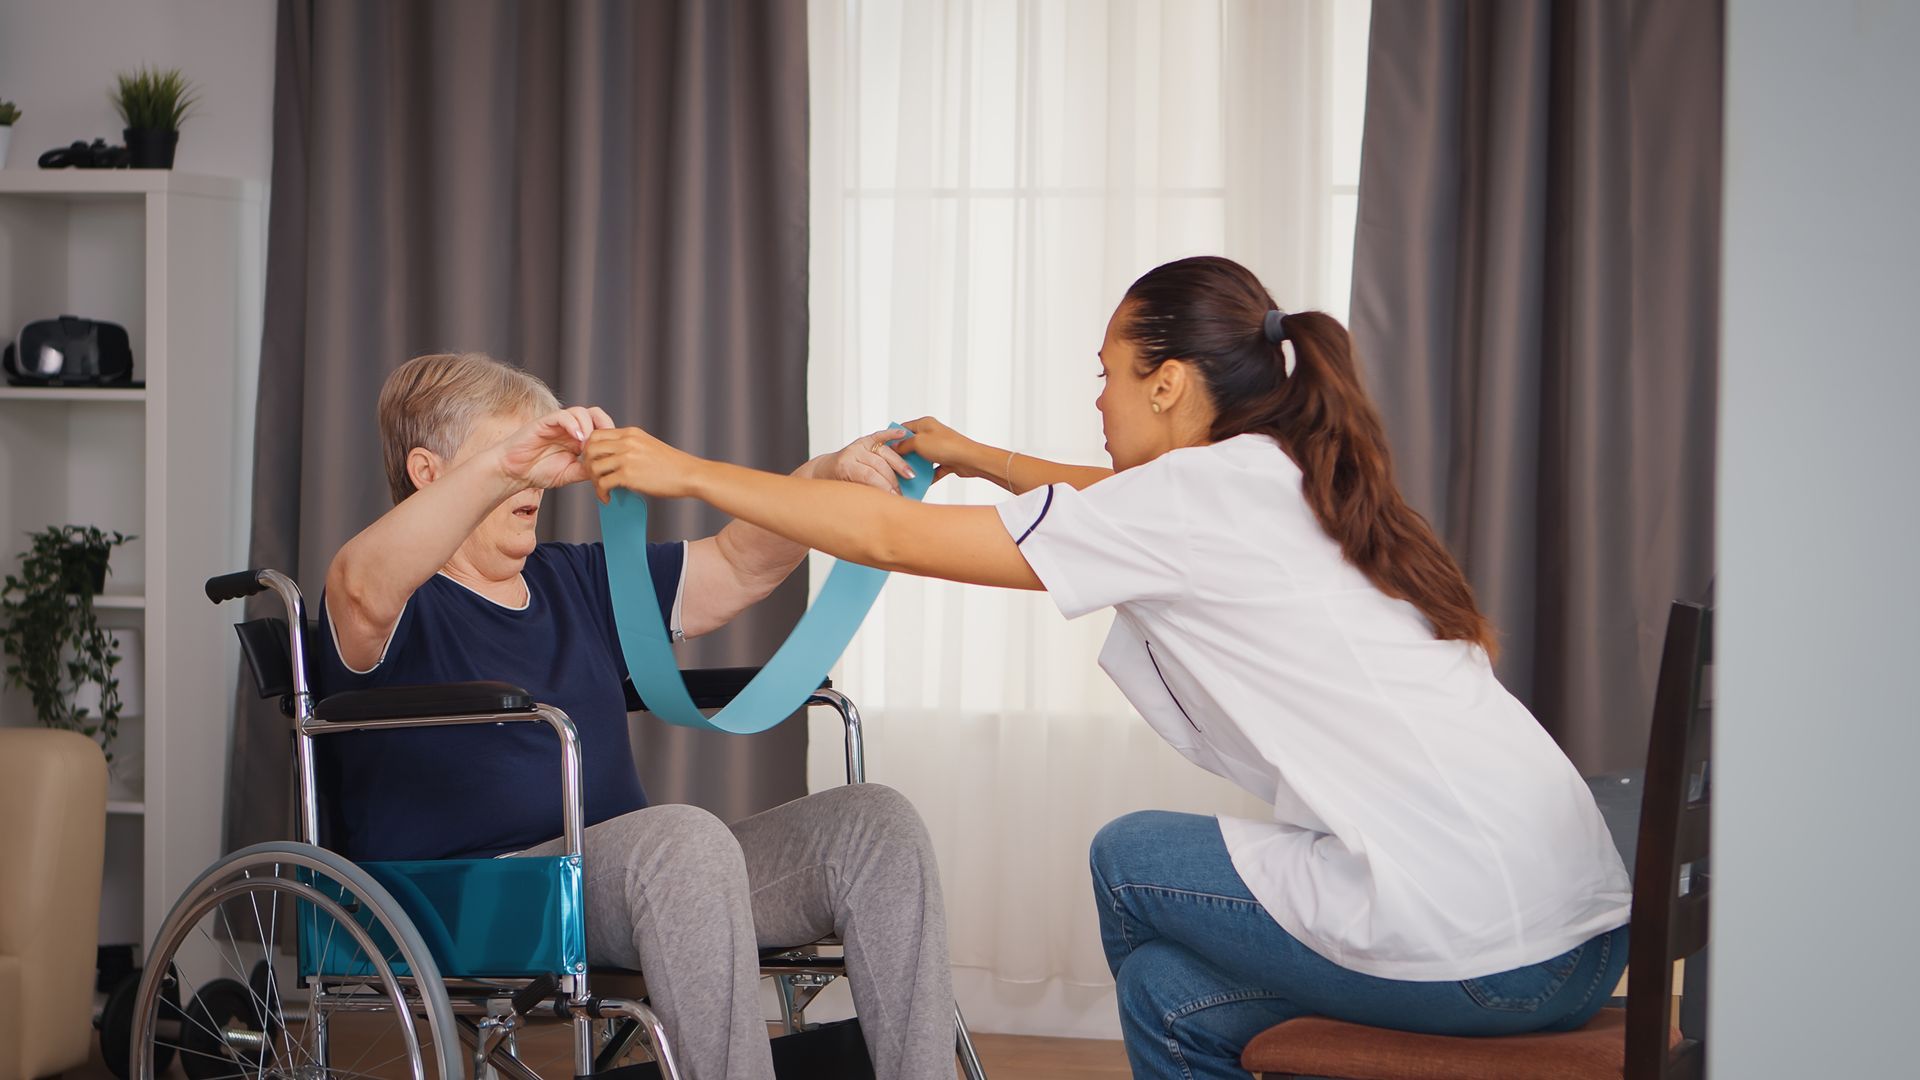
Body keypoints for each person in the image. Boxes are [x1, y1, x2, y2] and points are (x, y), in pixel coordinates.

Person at [584, 256, 1634, 1080]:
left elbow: (896, 540)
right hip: (1572, 929)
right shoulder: (1285, 475)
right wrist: (982, 458)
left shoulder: (1199, 499)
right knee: (1169, 996)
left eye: (1108, 375)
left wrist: (682, 471)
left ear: (1169, 383)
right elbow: (1113, 506)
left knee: (1130, 857)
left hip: (1483, 949)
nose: (1098, 400)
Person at [315, 351, 957, 1080]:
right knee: (679, 842)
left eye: (540, 455)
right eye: (509, 456)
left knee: (877, 825)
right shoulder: (389, 603)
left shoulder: (573, 579)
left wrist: (824, 478)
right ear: (430, 473)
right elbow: (359, 583)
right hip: (477, 897)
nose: (536, 477)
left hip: (640, 879)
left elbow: (739, 565)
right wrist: (508, 464)